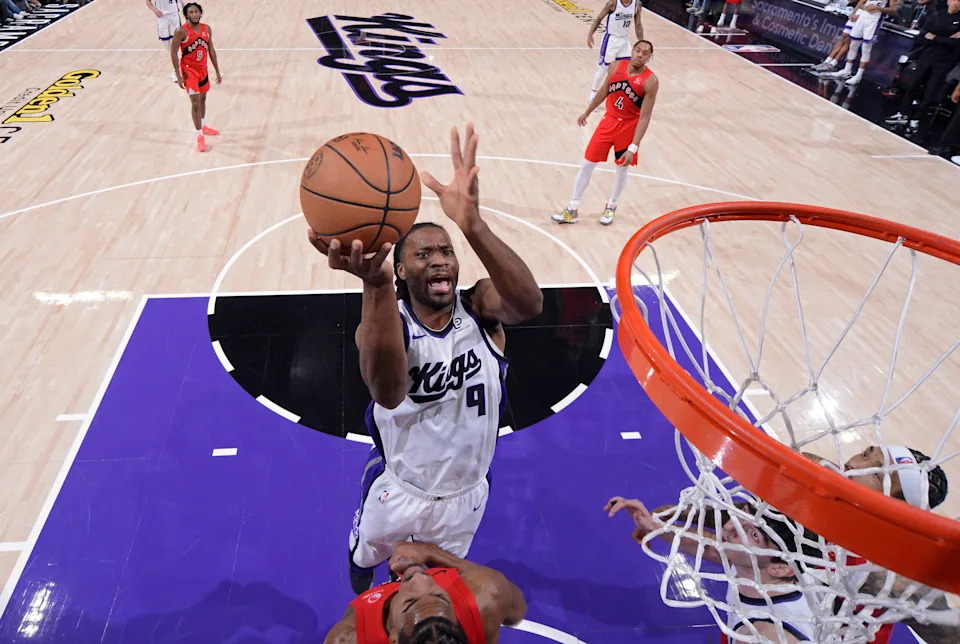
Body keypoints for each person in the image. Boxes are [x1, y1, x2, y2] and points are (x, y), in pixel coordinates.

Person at [310, 123, 543, 594]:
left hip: (467, 493)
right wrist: (373, 284)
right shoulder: (386, 323)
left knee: (439, 588)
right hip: (400, 490)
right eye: (423, 254)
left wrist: (473, 225)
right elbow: (388, 393)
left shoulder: (480, 308)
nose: (439, 260)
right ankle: (361, 574)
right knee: (365, 563)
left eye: (446, 251)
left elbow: (530, 305)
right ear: (400, 269)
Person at [606, 496, 816, 642]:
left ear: (780, 568)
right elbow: (713, 549)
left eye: (753, 535)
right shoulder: (757, 567)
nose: (731, 526)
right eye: (744, 513)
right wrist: (652, 526)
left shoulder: (762, 634)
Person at [324, 541, 527, 643]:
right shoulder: (489, 595)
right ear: (458, 622)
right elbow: (517, 610)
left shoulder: (348, 637)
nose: (420, 578)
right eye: (439, 596)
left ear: (394, 639)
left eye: (410, 603)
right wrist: (431, 552)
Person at [553, 40, 658, 227]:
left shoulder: (650, 81)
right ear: (632, 50)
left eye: (645, 53)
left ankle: (611, 206)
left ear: (649, 57)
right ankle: (572, 208)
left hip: (628, 127)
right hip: (608, 121)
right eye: (637, 50)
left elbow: (645, 117)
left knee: (621, 168)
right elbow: (604, 90)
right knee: (587, 164)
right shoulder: (616, 66)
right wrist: (587, 111)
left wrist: (633, 147)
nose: (640, 55)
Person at [884, 0, 960, 135]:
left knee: (930, 92)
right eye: (954, 0)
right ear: (948, 1)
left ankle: (916, 120)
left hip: (944, 62)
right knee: (913, 85)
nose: (956, 3)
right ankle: (903, 113)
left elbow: (956, 44)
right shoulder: (936, 16)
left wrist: (935, 37)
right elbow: (922, 37)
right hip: (927, 57)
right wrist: (946, 38)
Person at [169, 2, 221, 152]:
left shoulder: (207, 29)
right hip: (188, 71)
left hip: (203, 70)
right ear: (186, 15)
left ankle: (203, 126)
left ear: (200, 13)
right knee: (196, 103)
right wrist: (178, 75)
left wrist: (217, 71)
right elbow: (173, 53)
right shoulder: (181, 31)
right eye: (191, 12)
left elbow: (211, 50)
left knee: (203, 99)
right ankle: (200, 137)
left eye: (196, 12)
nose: (194, 14)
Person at [822, 0, 901, 84]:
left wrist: (878, 8)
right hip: (862, 17)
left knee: (865, 48)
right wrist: (861, 9)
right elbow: (861, 2)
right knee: (853, 45)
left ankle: (858, 76)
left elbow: (892, 10)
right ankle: (847, 70)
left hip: (874, 20)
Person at [586, 0, 645, 107]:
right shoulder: (612, 3)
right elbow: (599, 18)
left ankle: (622, 96)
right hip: (611, 40)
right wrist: (590, 34)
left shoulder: (636, 5)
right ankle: (593, 96)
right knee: (604, 69)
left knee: (629, 68)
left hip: (625, 41)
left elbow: (638, 24)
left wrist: (642, 42)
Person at [146, 0, 181, 82]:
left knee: (175, 45)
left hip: (174, 15)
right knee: (167, 46)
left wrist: (187, 11)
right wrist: (155, 10)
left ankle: (176, 70)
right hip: (162, 17)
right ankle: (177, 63)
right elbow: (148, 2)